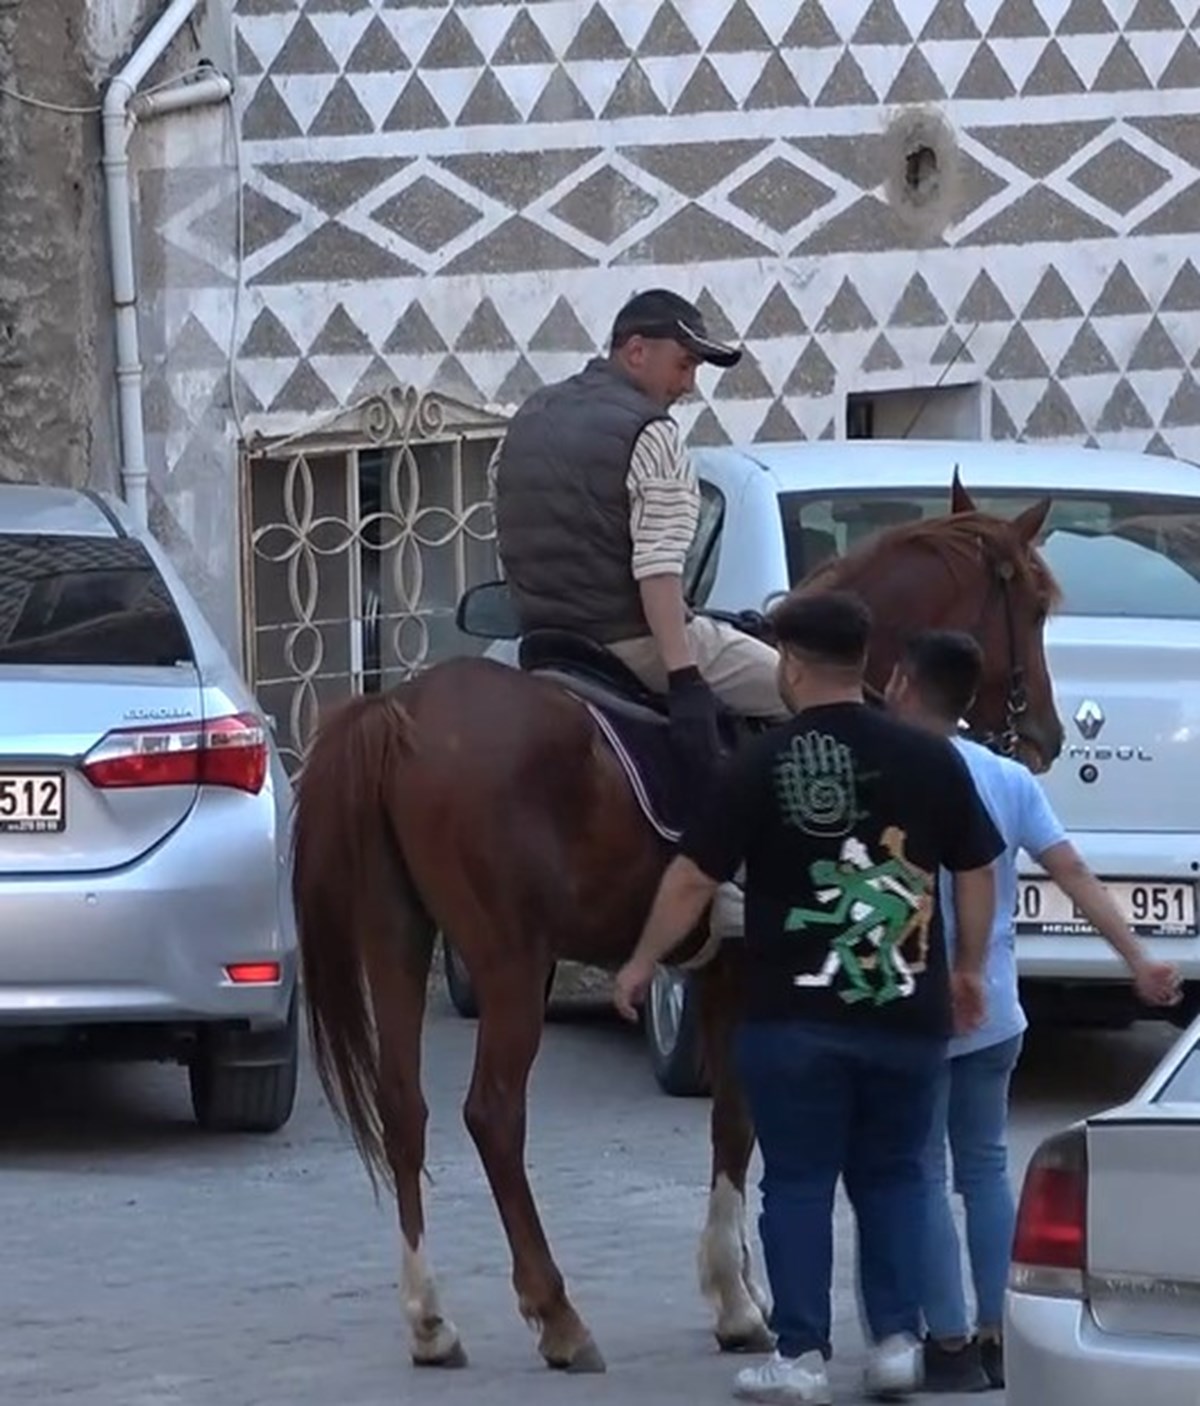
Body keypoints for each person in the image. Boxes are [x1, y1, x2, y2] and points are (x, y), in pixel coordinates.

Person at [613, 590, 1006, 1405]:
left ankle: (801, 1355)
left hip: (794, 1021)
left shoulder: (759, 764)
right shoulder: (933, 760)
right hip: (906, 1015)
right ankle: (897, 1341)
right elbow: (975, 868)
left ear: (789, 665)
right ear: (867, 666)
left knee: (795, 1182)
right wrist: (968, 969)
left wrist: (642, 962)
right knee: (896, 1175)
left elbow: (693, 877)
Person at [883, 628, 1183, 1392]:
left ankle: (944, 1340)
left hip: (913, 1009)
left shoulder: (885, 772)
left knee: (919, 1172)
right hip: (996, 1012)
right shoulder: (1007, 778)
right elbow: (1073, 871)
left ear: (901, 686)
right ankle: (997, 1329)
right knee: (984, 1171)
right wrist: (1138, 958)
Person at [488, 287, 789, 779]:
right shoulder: (652, 433)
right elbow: (658, 570)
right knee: (801, 688)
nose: (689, 385)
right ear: (636, 351)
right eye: (684, 364)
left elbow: (507, 537)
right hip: (630, 642)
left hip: (542, 641)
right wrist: (684, 675)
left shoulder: (530, 414)